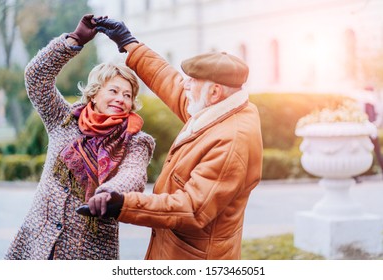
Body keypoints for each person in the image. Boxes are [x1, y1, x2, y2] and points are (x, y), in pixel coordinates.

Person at [77, 17, 263, 260]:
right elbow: (172, 84)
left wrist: (123, 204)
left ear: (215, 92)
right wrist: (129, 43)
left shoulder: (232, 141)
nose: (185, 83)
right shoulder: (219, 109)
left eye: (193, 80)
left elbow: (192, 209)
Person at [5, 15, 155, 260]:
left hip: (88, 253)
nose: (121, 99)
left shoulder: (136, 141)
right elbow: (36, 78)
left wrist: (108, 192)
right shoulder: (64, 119)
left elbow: (133, 175)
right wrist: (74, 40)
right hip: (36, 245)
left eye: (127, 95)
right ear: (94, 94)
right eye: (114, 91)